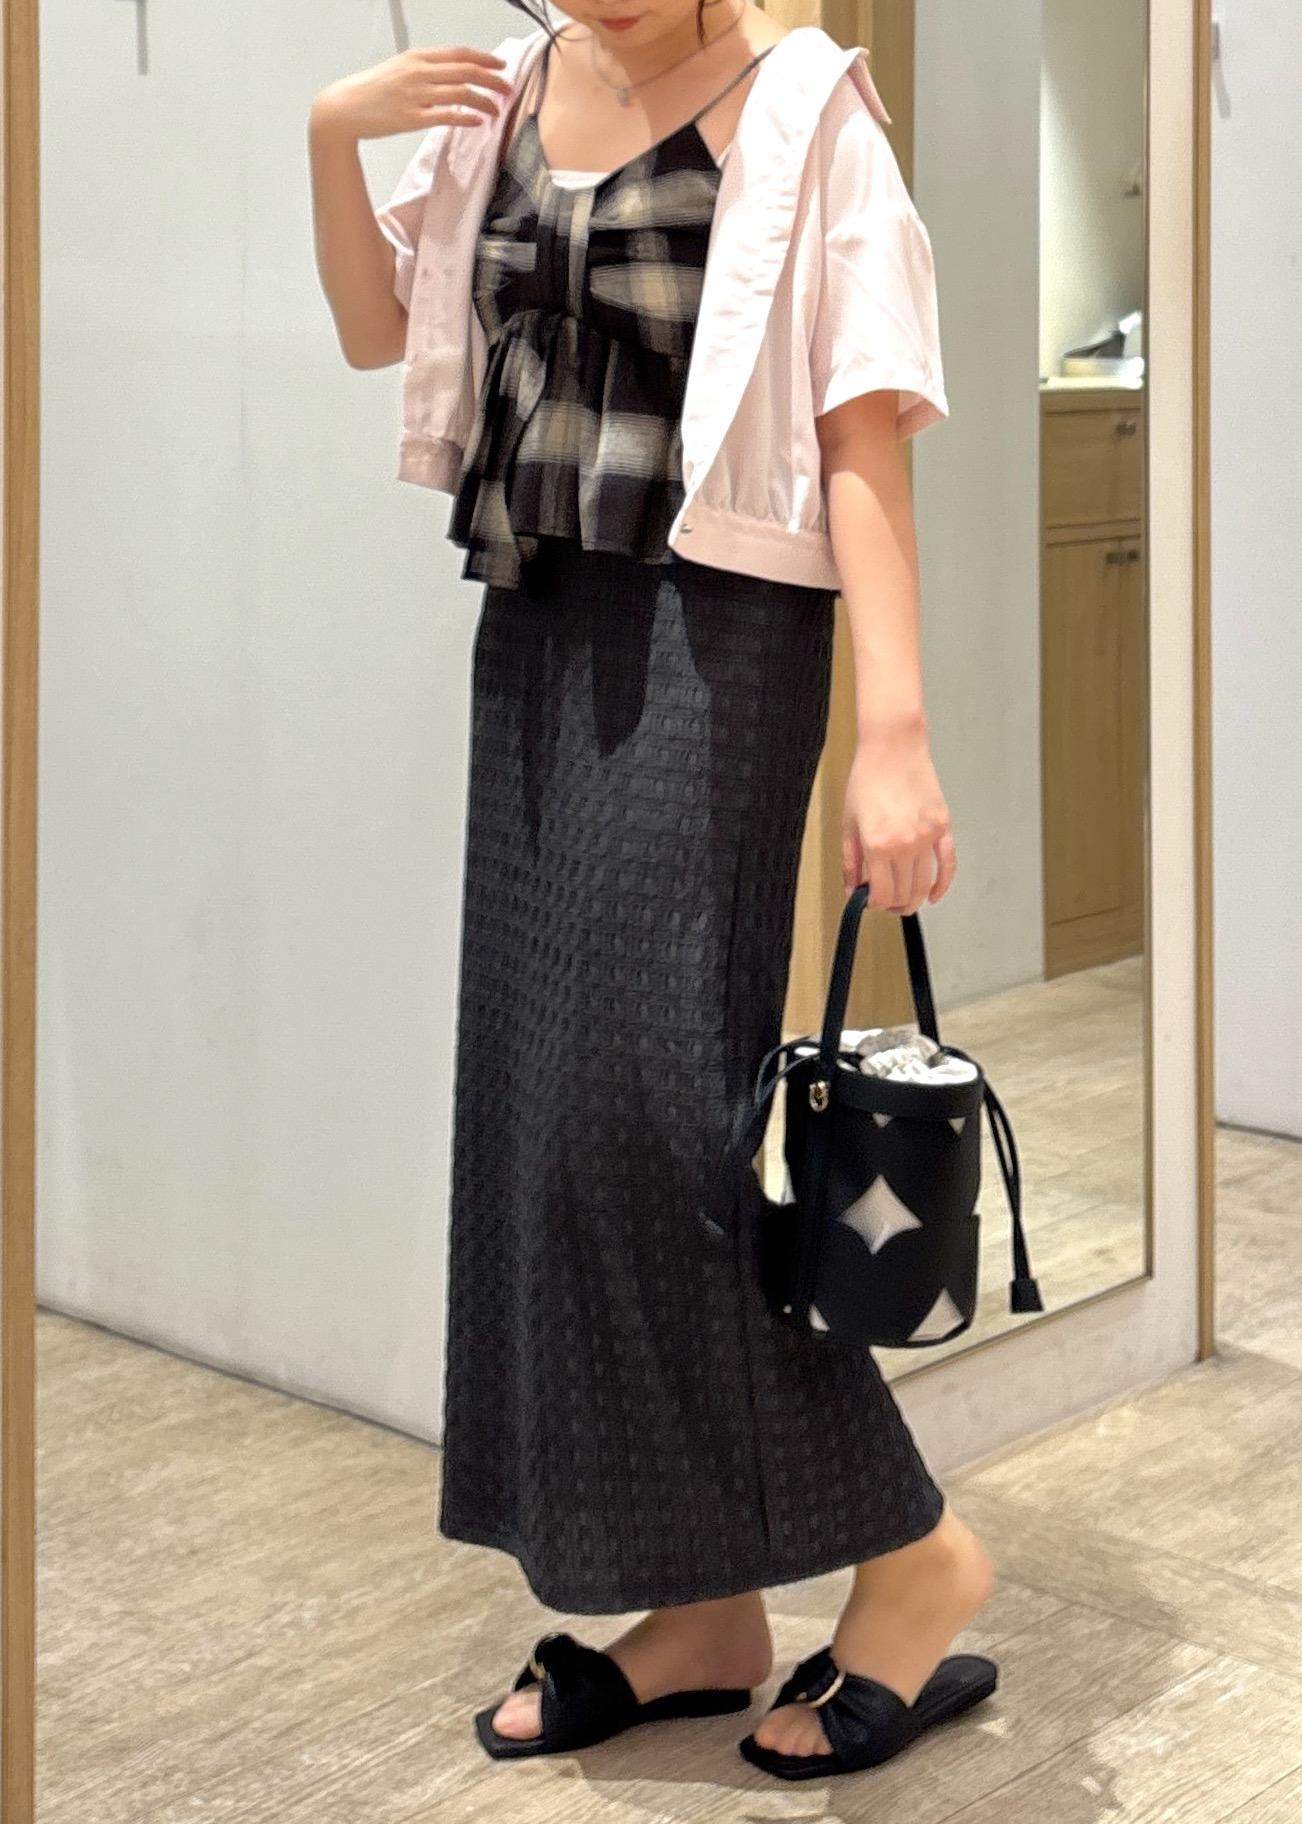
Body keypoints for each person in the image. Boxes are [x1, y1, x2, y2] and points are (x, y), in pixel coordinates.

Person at [309, 0, 998, 1783]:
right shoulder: (512, 88)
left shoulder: (804, 105)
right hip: (534, 622)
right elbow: (381, 328)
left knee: (651, 1126)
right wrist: (331, 135)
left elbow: (861, 431)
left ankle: (915, 1560)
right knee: (545, 1126)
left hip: (719, 636)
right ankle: (700, 1613)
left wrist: (894, 735)